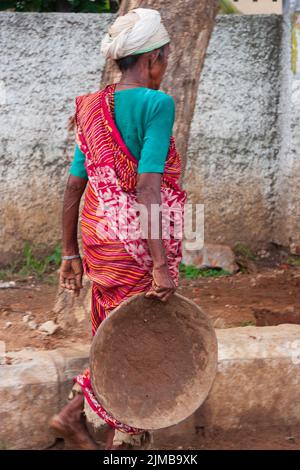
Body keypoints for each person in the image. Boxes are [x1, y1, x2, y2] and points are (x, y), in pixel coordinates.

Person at [49, 7, 186, 450]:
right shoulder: (157, 103)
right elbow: (148, 186)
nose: (164, 68)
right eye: (164, 59)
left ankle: (74, 415)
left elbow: (75, 184)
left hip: (98, 237)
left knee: (113, 327)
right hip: (135, 244)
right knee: (139, 337)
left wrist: (70, 254)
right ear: (152, 59)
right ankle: (121, 443)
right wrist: (161, 265)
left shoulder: (92, 107)